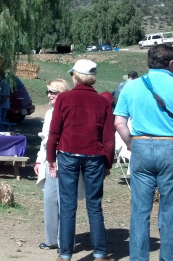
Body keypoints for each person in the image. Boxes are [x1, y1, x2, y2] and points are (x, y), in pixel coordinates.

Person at [114, 44, 173, 261]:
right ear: (171, 63)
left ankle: (139, 258)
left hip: (141, 146)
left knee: (140, 211)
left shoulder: (131, 87)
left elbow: (119, 122)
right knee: (171, 210)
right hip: (171, 147)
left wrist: (130, 143)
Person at [46, 59, 115, 261]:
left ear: (76, 76)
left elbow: (54, 132)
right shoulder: (103, 102)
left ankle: (65, 254)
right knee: (94, 205)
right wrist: (108, 164)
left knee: (68, 205)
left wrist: (51, 158)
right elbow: (108, 139)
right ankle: (101, 253)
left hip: (67, 154)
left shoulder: (64, 99)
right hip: (95, 156)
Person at [35, 79, 71, 251]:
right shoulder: (49, 113)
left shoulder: (68, 111)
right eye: (48, 92)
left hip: (65, 158)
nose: (49, 95)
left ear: (62, 93)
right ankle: (52, 239)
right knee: (49, 199)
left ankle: (63, 241)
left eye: (53, 92)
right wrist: (39, 159)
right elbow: (45, 140)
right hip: (50, 159)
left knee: (64, 200)